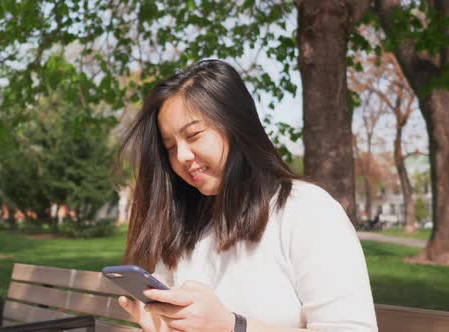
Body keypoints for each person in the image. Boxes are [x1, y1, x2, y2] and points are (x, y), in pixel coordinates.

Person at [117, 59, 377, 332]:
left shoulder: (308, 212)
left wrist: (233, 327)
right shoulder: (185, 227)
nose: (181, 156)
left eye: (193, 135)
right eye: (170, 147)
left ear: (235, 124)